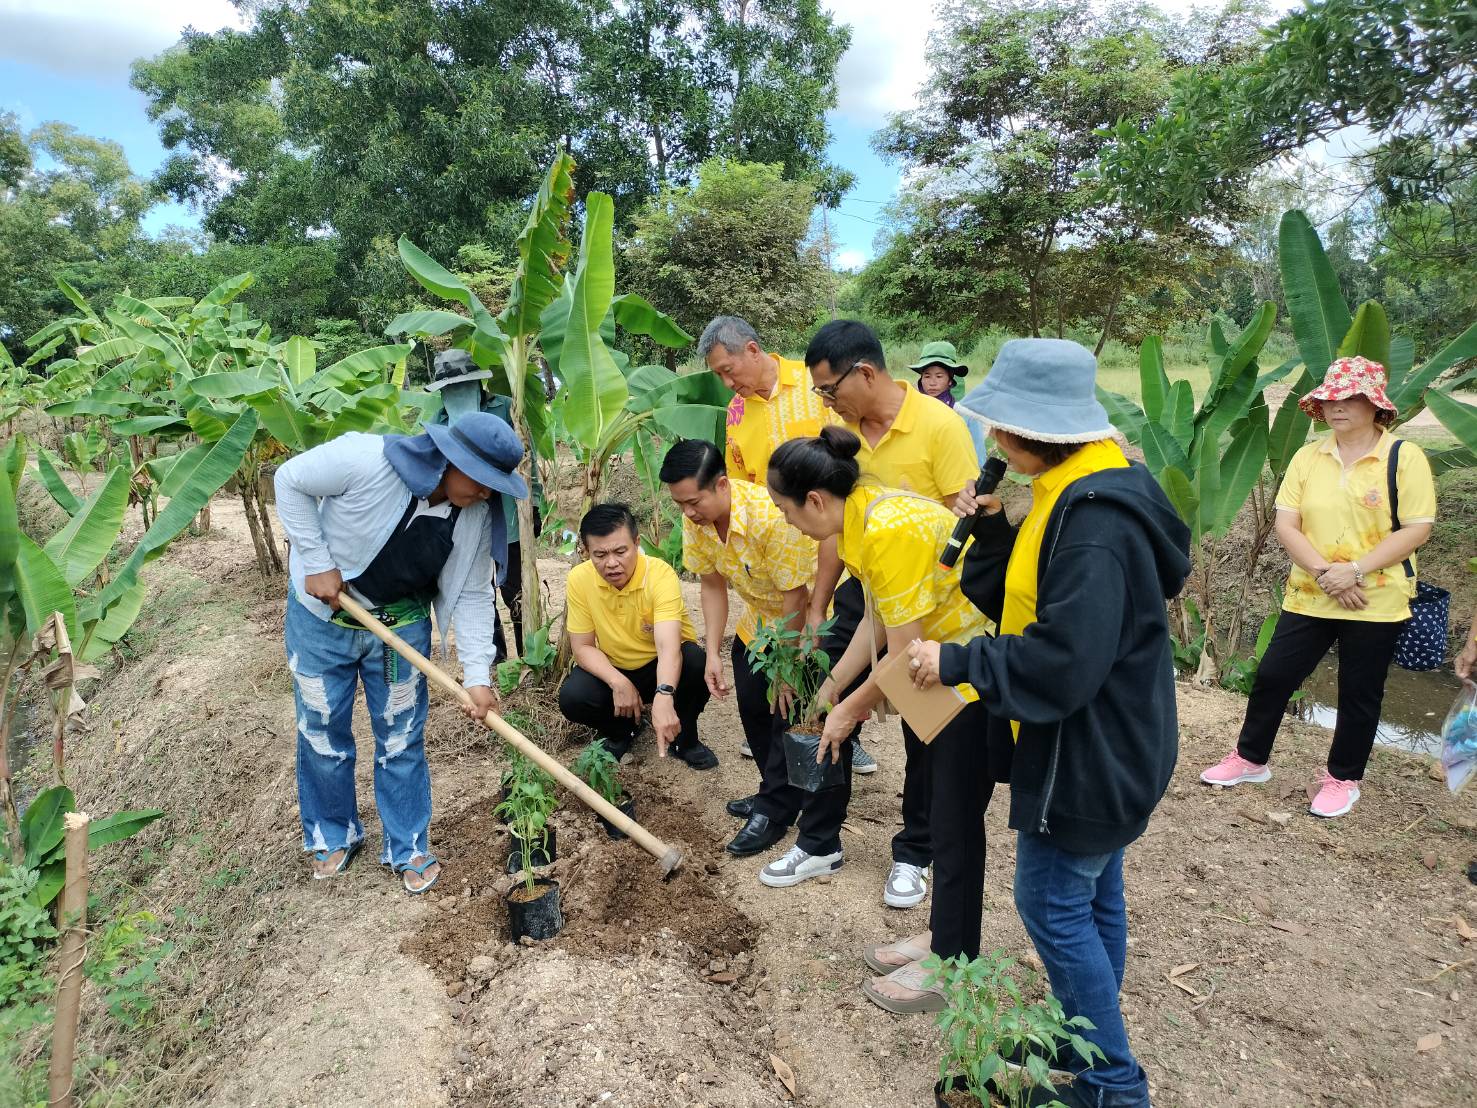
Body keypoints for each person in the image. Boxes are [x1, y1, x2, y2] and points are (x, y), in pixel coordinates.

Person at [907, 337, 1191, 1107]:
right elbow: (1032, 606)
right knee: (1093, 897)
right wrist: (993, 530)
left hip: (1091, 752)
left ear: (1033, 430)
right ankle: (1081, 1041)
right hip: (1117, 739)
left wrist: (958, 664)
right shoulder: (1080, 482)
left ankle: (1112, 1086)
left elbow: (1063, 661)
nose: (992, 442)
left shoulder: (1096, 522)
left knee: (1050, 901)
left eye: (999, 427)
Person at [765, 426, 1002, 1015]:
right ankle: (945, 937)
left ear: (815, 501)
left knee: (953, 820)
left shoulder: (887, 529)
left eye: (786, 511)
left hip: (968, 677)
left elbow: (902, 652)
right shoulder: (863, 521)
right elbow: (876, 622)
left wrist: (849, 711)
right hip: (942, 670)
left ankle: (953, 962)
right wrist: (830, 688)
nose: (788, 523)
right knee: (947, 813)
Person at [274, 412, 526, 894]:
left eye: (496, 486)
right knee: (323, 729)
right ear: (452, 460)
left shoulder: (472, 515)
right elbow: (290, 480)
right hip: (321, 619)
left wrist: (477, 674)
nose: (487, 494)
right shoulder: (366, 459)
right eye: (483, 481)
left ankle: (408, 844)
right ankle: (332, 834)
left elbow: (474, 594)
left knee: (400, 736)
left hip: (401, 624)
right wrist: (317, 560)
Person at [1201, 357, 1436, 818]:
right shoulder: (1308, 457)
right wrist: (1329, 573)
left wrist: (1357, 571)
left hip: (1375, 596)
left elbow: (1416, 528)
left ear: (1375, 406)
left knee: (1359, 691)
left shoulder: (1403, 457)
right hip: (1311, 591)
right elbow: (1287, 524)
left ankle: (1343, 778)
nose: (1337, 407)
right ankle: (1250, 758)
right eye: (1330, 398)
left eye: (1350, 398)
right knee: (1273, 676)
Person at [803, 319, 983, 910]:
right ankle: (819, 838)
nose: (826, 402)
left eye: (830, 388)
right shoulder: (841, 437)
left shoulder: (940, 425)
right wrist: (823, 608)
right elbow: (840, 526)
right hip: (876, 584)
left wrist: (860, 702)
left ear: (866, 373)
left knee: (924, 727)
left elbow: (967, 515)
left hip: (937, 599)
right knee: (834, 691)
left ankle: (917, 852)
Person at [699, 315, 876, 776]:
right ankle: (784, 776)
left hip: (832, 551)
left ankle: (839, 735)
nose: (726, 381)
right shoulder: (737, 413)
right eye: (718, 375)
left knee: (827, 652)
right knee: (769, 672)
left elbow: (850, 470)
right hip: (777, 562)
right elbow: (740, 494)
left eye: (727, 369)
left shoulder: (816, 388)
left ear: (753, 350)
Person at [660, 439, 816, 857]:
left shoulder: (770, 517)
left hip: (803, 625)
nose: (688, 513)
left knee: (787, 714)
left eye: (694, 501)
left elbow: (795, 597)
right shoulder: (696, 522)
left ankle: (777, 811)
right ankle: (773, 791)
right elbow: (711, 586)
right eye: (680, 504)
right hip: (757, 625)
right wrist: (712, 651)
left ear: (723, 484)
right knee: (753, 708)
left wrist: (785, 666)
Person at [557, 503, 716, 769]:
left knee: (696, 662)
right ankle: (623, 731)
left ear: (636, 543)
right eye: (599, 554)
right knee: (573, 696)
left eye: (621, 551)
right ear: (585, 551)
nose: (611, 563)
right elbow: (582, 647)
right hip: (617, 666)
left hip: (661, 664)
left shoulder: (660, 574)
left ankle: (685, 737)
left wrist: (664, 694)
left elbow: (668, 646)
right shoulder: (579, 579)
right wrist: (618, 682)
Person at [426, 349, 541, 658]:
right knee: (476, 587)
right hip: (464, 515)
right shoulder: (438, 421)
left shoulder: (504, 410)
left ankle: (528, 652)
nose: (457, 391)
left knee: (515, 588)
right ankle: (496, 657)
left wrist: (535, 503)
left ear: (478, 384)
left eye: (463, 384)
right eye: (450, 387)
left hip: (509, 511)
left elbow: (529, 460)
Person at [909, 340, 989, 464]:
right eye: (927, 376)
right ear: (921, 379)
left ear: (950, 380)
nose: (932, 382)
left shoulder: (966, 414)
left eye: (939, 376)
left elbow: (978, 454)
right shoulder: (913, 409)